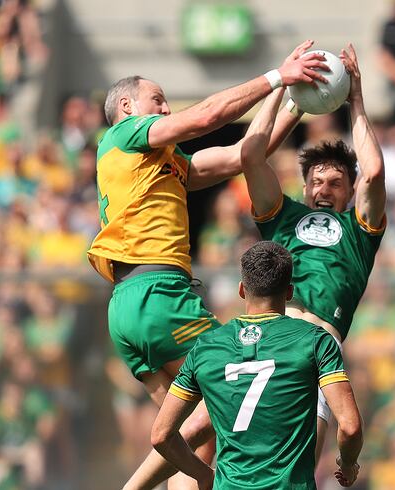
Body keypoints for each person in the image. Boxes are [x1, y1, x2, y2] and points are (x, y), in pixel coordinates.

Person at [86, 40, 330, 490]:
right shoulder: (124, 135)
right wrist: (276, 76)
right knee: (241, 380)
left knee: (194, 436)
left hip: (127, 307)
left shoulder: (165, 165)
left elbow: (246, 154)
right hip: (160, 297)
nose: (164, 109)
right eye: (157, 100)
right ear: (126, 105)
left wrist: (295, 100)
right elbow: (205, 117)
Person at [242, 43, 386, 459]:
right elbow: (251, 153)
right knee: (216, 445)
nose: (324, 190)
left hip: (315, 349)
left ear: (349, 191)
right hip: (265, 334)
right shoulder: (282, 215)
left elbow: (373, 171)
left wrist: (355, 99)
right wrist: (285, 89)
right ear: (304, 187)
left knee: (299, 466)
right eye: (316, 182)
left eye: (335, 183)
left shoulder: (360, 231)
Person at [151, 241, 363, 489]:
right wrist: (348, 464)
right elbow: (349, 427)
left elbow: (161, 435)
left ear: (242, 290)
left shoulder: (206, 347)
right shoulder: (315, 341)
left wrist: (203, 474)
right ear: (289, 292)